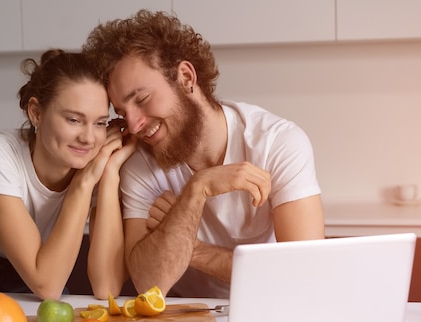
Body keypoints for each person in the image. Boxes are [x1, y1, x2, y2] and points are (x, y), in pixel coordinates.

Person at [82, 10, 325, 298]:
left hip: (269, 303)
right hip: (185, 318)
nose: (133, 125)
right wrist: (198, 189)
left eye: (142, 99)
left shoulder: (278, 143)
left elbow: (303, 273)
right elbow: (148, 282)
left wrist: (191, 247)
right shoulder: (140, 164)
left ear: (186, 77)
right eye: (122, 112)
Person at [0, 49, 137, 300]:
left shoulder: (95, 162)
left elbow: (106, 287)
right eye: (74, 120)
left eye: (99, 123)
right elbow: (48, 286)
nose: (88, 138)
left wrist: (108, 174)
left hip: (39, 265)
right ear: (36, 112)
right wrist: (83, 183)